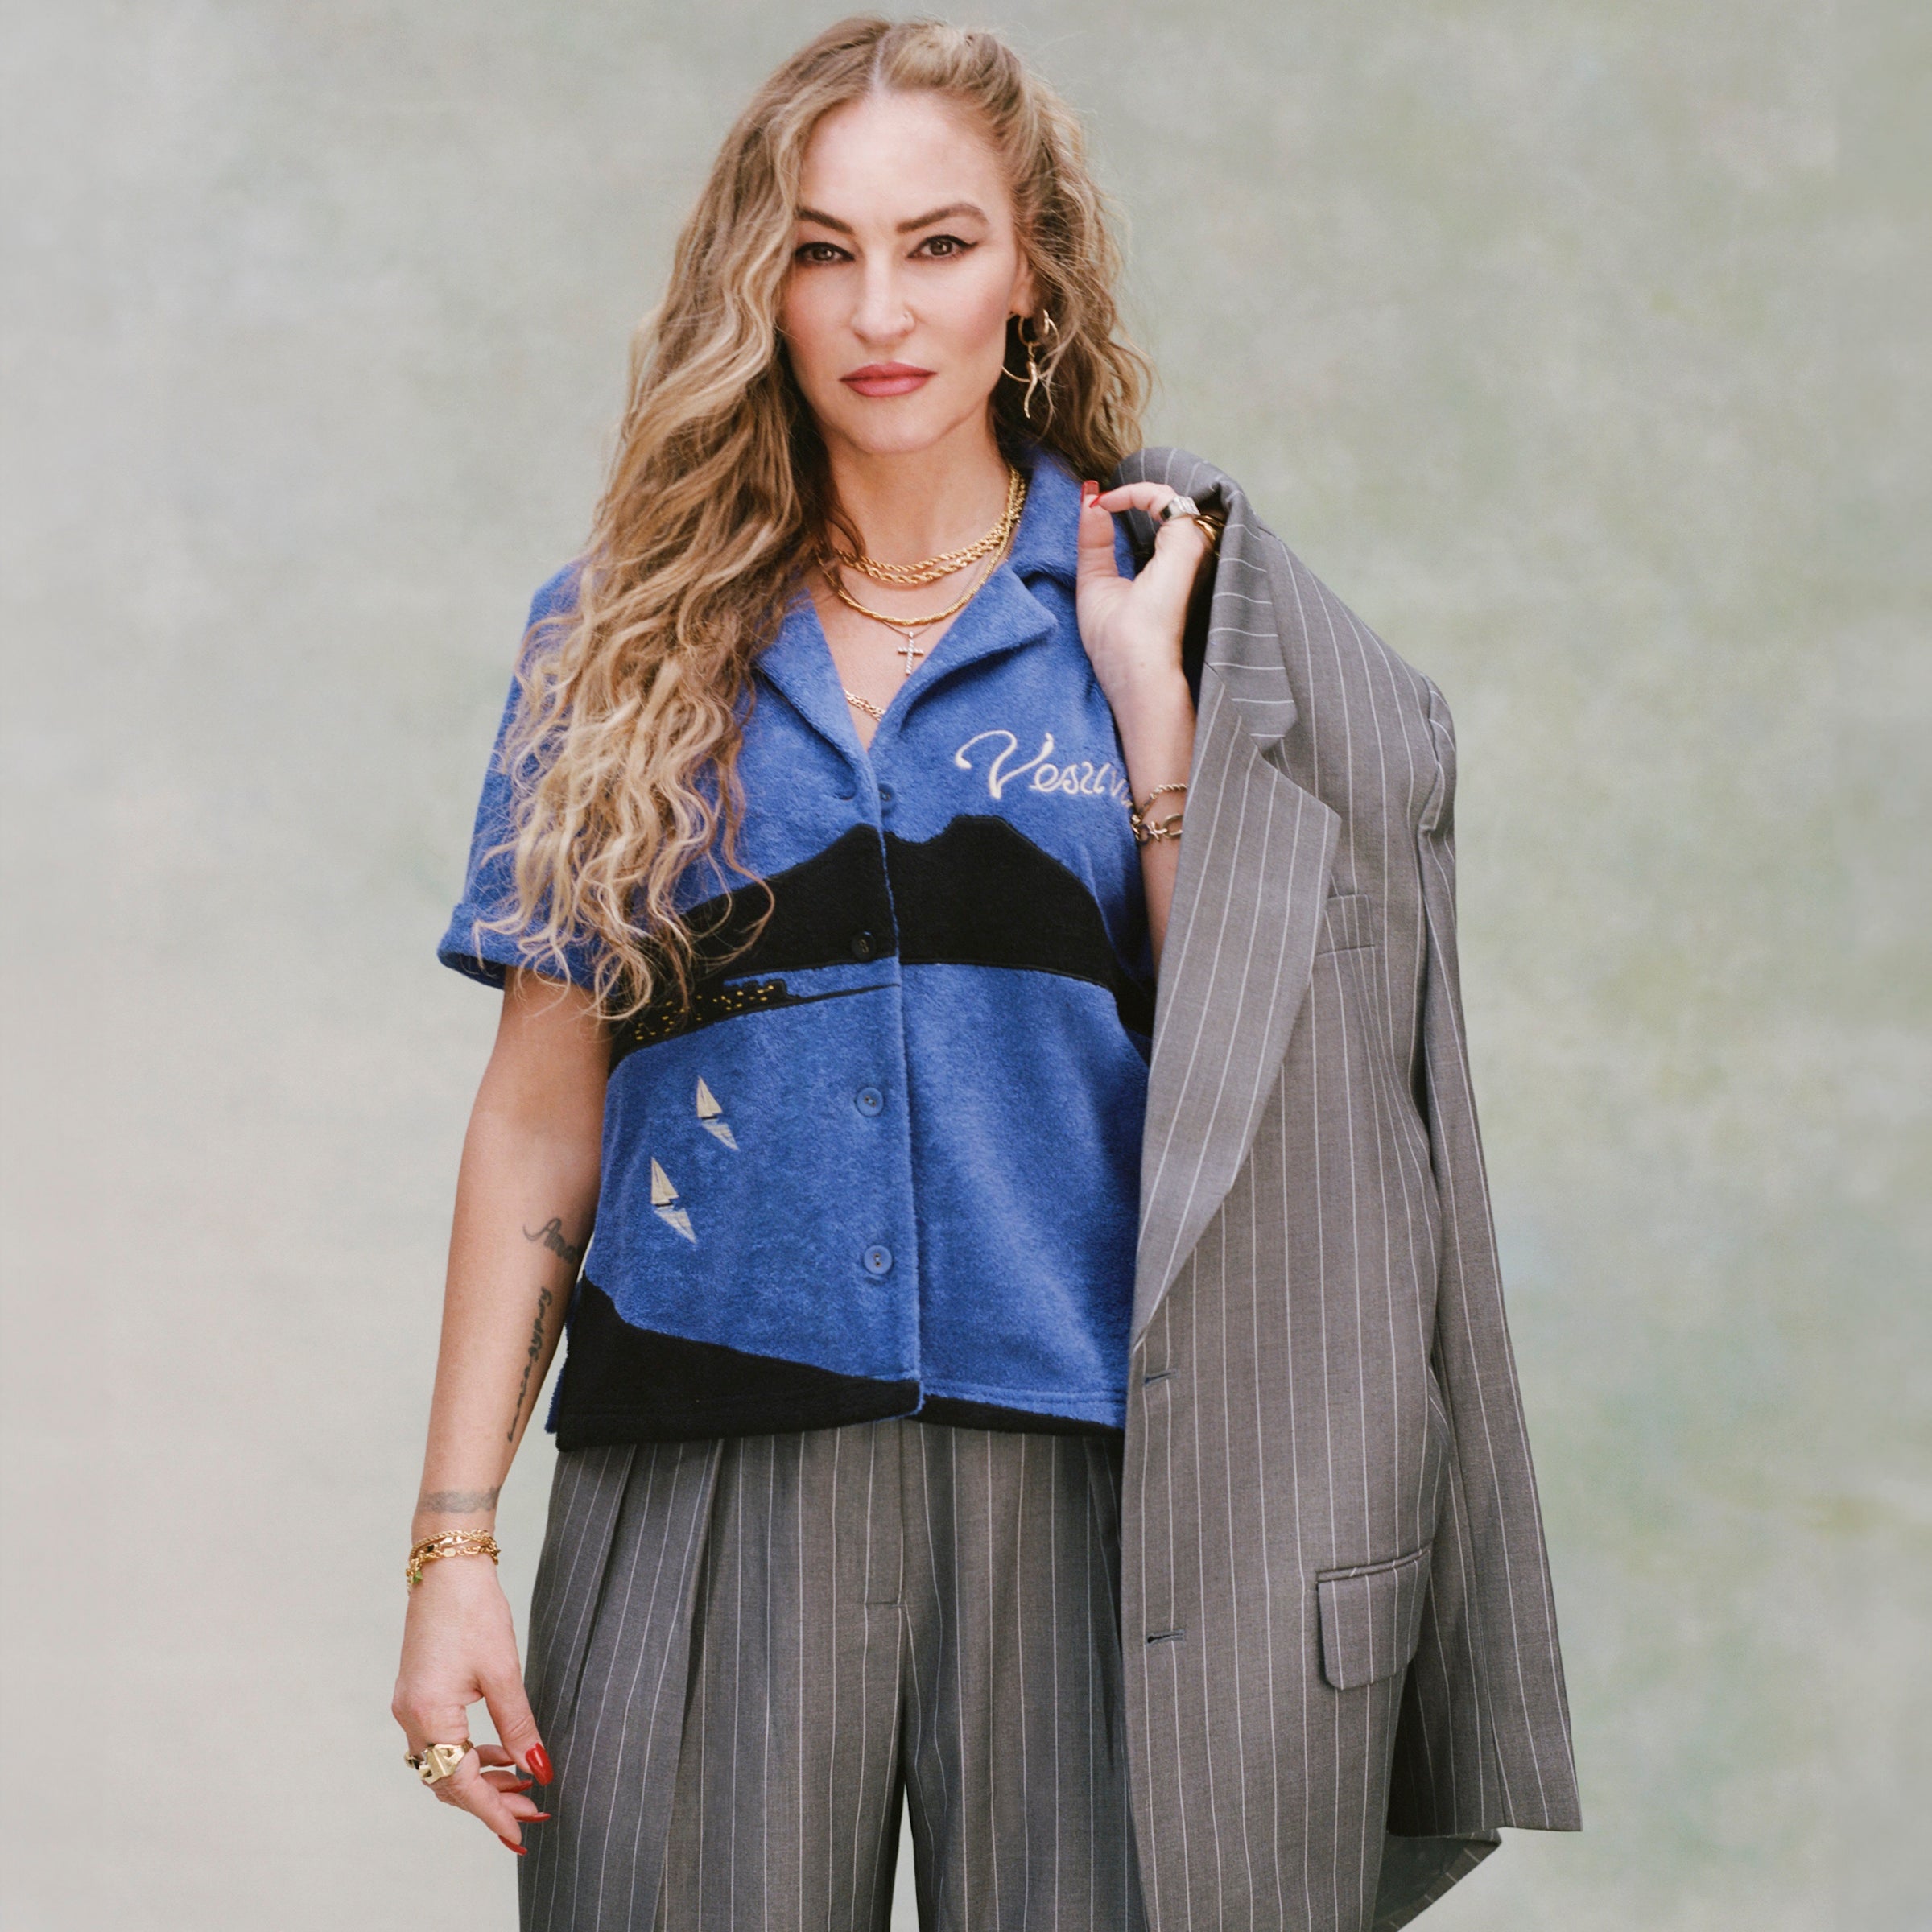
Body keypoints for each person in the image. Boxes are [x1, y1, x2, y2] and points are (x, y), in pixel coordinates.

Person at [393, 19, 1580, 1932]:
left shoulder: (1170, 608)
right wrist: (451, 1547)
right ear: (757, 281)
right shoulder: (610, 640)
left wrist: (1151, 720)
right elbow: (540, 1119)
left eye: (939, 245)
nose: (882, 310)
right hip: (700, 1489)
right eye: (822, 249)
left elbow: (1261, 1073)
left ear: (1030, 268)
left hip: (1102, 1500)